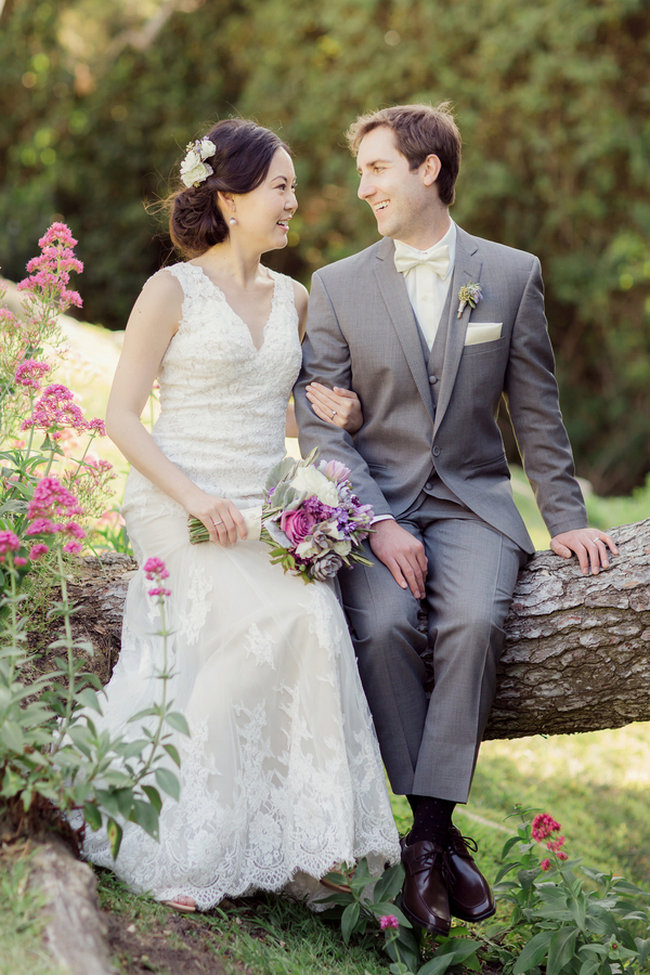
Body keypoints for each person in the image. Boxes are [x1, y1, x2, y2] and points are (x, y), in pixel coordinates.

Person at [294, 102, 617, 936]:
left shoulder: (508, 273)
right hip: (381, 511)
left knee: (473, 620)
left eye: (377, 168)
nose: (363, 186)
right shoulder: (335, 287)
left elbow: (537, 413)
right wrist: (375, 525)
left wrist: (566, 519)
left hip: (474, 502)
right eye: (363, 169)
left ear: (427, 169)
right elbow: (326, 428)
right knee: (388, 626)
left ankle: (427, 837)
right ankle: (436, 834)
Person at [83, 117, 400, 912]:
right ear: (229, 199)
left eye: (291, 187)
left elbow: (282, 414)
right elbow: (122, 418)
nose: (294, 201)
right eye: (281, 186)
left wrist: (339, 414)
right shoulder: (170, 291)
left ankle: (304, 848)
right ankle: (187, 844)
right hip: (176, 497)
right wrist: (193, 496)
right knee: (248, 623)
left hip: (266, 507)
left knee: (313, 620)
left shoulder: (295, 298)